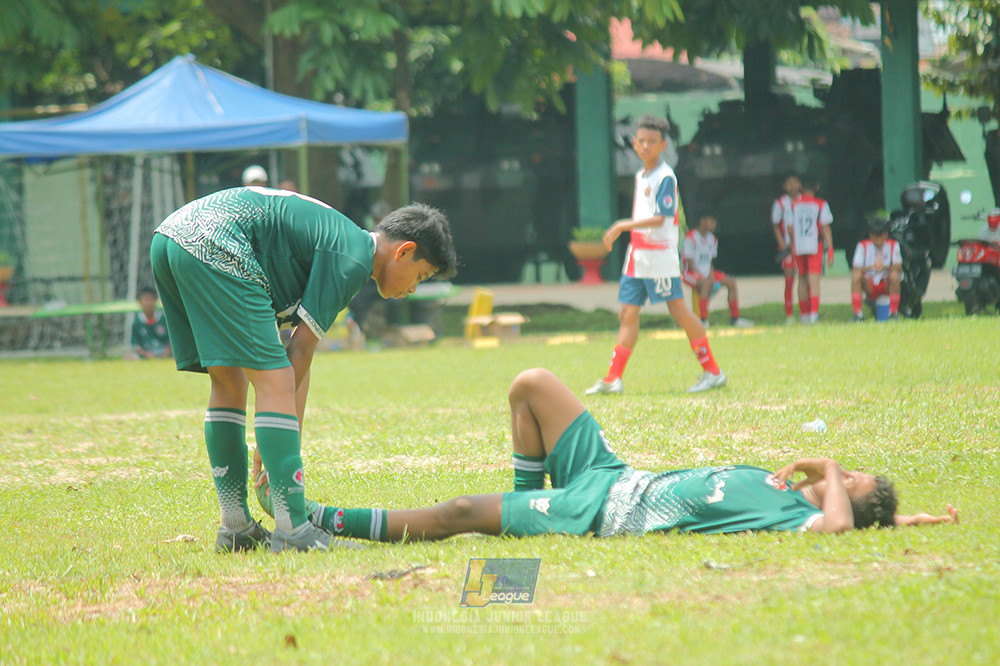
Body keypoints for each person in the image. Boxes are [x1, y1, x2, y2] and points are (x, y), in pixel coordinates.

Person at [254, 368, 958, 541]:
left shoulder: (796, 523)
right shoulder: (778, 494)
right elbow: (875, 523)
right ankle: (523, 499)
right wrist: (915, 520)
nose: (842, 475)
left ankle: (317, 518)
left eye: (851, 480)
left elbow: (845, 529)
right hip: (615, 475)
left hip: (602, 510)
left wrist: (827, 465)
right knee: (531, 385)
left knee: (462, 512)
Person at [150, 186, 456, 553]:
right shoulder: (353, 257)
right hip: (214, 240)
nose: (411, 290)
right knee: (273, 377)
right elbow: (298, 352)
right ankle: (295, 531)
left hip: (171, 237)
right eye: (419, 277)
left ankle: (236, 528)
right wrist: (277, 433)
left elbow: (300, 353)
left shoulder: (344, 243)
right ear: (404, 251)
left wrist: (281, 431)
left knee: (229, 380)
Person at [586, 115, 727, 395]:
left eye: (652, 141)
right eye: (641, 141)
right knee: (627, 312)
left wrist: (621, 225)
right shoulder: (642, 175)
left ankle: (713, 372)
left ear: (663, 145)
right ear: (635, 144)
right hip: (637, 257)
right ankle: (613, 378)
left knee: (679, 311)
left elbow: (661, 218)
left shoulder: (665, 177)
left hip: (660, 258)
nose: (645, 146)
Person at [682, 212, 754, 328]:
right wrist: (705, 277)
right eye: (712, 221)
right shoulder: (691, 238)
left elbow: (710, 261)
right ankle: (703, 320)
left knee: (731, 282)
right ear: (702, 221)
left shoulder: (712, 239)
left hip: (706, 272)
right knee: (706, 284)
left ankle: (735, 319)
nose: (714, 224)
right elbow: (690, 263)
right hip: (690, 273)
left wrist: (711, 275)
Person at [785, 175, 834, 324]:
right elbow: (826, 227)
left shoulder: (793, 205)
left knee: (802, 279)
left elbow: (789, 227)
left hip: (799, 245)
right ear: (817, 187)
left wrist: (794, 242)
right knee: (814, 280)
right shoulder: (821, 204)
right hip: (814, 244)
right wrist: (830, 248)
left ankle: (804, 315)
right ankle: (814, 314)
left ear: (801, 187)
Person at [851, 214, 902, 321]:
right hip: (870, 284)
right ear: (870, 235)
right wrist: (871, 267)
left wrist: (885, 267)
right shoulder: (863, 246)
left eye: (881, 236)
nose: (879, 240)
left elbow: (898, 266)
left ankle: (893, 313)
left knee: (894, 275)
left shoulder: (893, 245)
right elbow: (856, 268)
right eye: (875, 236)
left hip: (886, 283)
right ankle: (858, 314)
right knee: (856, 276)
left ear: (886, 234)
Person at [771, 172, 801, 325]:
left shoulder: (804, 201)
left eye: (794, 182)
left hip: (803, 247)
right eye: (789, 183)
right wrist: (782, 243)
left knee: (805, 279)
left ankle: (806, 312)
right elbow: (776, 225)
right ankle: (789, 314)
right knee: (789, 280)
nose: (792, 186)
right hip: (789, 248)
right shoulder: (780, 203)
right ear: (784, 186)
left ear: (800, 185)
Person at [129, 287, 172, 359]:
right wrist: (147, 354)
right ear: (140, 302)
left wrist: (167, 351)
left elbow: (173, 339)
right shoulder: (137, 323)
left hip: (164, 351)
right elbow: (135, 345)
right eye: (145, 300)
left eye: (151, 299)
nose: (148, 303)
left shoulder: (164, 319)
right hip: (147, 352)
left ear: (155, 301)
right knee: (129, 357)